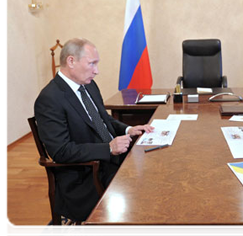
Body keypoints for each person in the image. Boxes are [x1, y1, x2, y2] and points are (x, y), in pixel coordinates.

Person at [34, 38, 154, 221]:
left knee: (155, 164)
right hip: (87, 174)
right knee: (146, 187)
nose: (96, 71)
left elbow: (104, 120)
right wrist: (108, 148)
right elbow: (60, 151)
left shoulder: (88, 85)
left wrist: (129, 129)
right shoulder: (50, 99)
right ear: (71, 61)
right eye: (92, 64)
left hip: (108, 161)